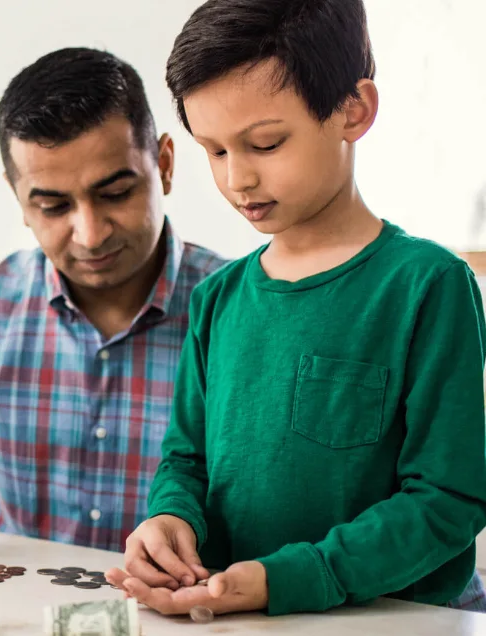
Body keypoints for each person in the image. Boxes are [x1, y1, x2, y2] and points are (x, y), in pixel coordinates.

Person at [105, 0, 486, 616]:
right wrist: (171, 517)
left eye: (265, 144)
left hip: (399, 620)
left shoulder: (428, 284)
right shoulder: (217, 299)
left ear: (352, 111)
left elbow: (448, 499)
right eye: (216, 151)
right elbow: (186, 460)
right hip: (235, 616)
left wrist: (289, 577)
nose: (237, 180)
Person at [0, 47, 228, 562]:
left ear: (165, 165)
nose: (90, 232)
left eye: (116, 193)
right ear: (18, 199)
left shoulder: (240, 312)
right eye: (53, 205)